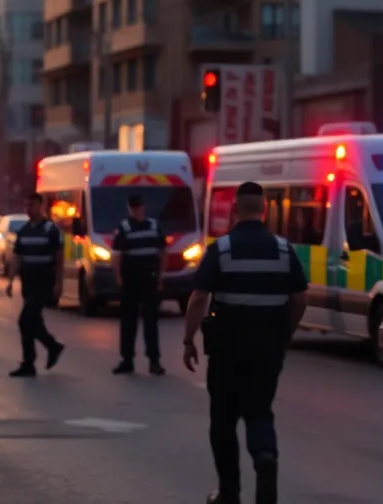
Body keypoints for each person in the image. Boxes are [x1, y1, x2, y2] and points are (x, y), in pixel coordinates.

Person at [182, 182, 307, 504]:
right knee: (259, 412)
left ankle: (229, 493)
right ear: (264, 210)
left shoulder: (221, 249)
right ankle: (265, 457)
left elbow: (198, 297)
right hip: (268, 349)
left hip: (227, 350)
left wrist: (188, 339)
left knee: (223, 420)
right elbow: (299, 298)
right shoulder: (283, 250)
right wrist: (286, 334)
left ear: (234, 210)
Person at [9, 193, 65, 377]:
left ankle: (31, 359)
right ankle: (50, 349)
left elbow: (59, 259)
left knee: (25, 320)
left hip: (44, 282)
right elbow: (18, 257)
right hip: (28, 282)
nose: (29, 210)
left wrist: (58, 283)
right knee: (33, 321)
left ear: (42, 206)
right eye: (27, 206)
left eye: (32, 205)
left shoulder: (50, 230)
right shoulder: (24, 230)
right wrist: (11, 281)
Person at [112, 194, 168, 375]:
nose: (136, 210)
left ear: (143, 207)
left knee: (150, 321)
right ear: (129, 208)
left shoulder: (154, 226)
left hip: (149, 279)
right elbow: (117, 255)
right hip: (130, 280)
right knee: (129, 322)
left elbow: (163, 252)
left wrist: (160, 277)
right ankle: (127, 360)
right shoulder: (125, 227)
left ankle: (154, 361)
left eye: (138, 206)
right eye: (132, 207)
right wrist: (119, 278)